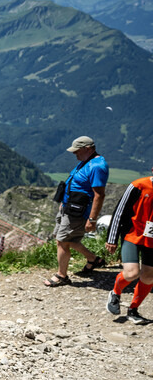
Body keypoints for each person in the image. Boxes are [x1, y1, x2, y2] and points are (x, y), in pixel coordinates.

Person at [45, 136, 108, 287]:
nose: (74, 154)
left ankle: (62, 276)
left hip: (78, 212)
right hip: (69, 208)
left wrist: (92, 219)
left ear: (88, 149)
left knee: (63, 241)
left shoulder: (97, 166)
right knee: (68, 239)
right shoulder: (87, 161)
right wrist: (63, 202)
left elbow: (99, 195)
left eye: (77, 151)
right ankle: (93, 259)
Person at [105, 165, 153, 324]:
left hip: (152, 240)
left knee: (149, 276)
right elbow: (119, 212)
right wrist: (112, 238)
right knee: (132, 273)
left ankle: (133, 310)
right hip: (132, 235)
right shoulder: (138, 186)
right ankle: (115, 292)